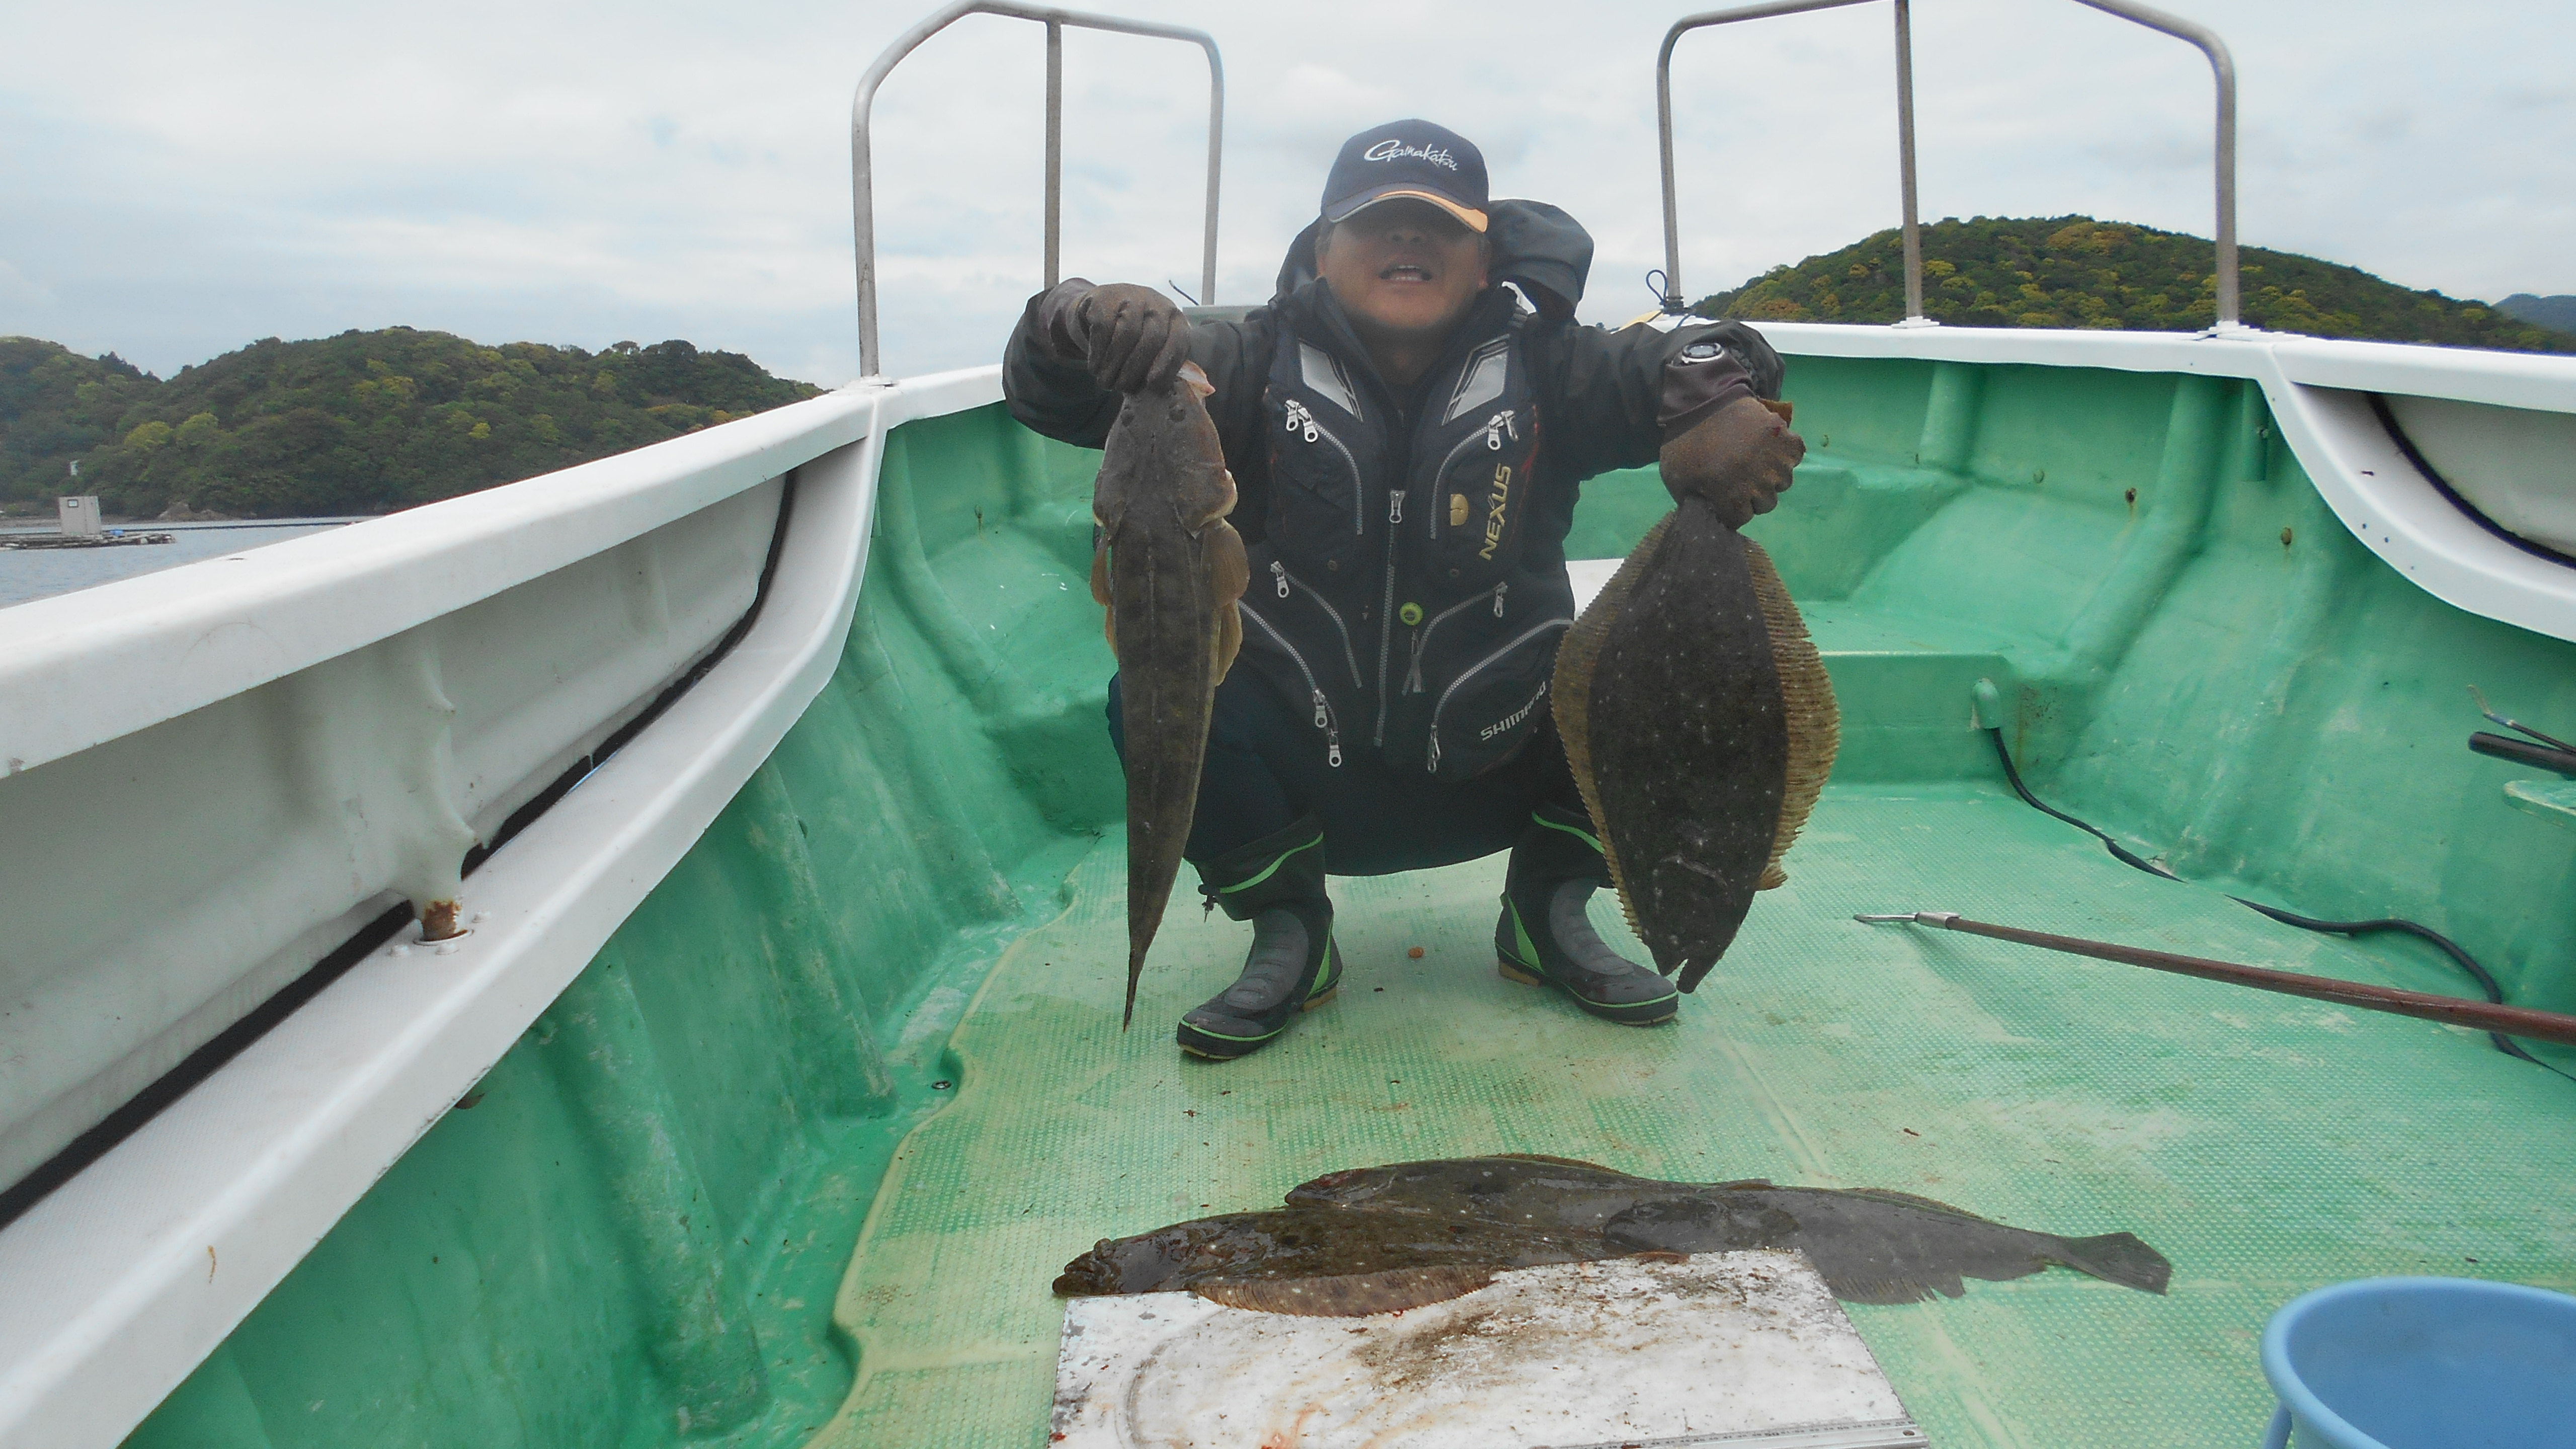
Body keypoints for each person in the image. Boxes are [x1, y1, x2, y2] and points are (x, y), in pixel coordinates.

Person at [1004, 119, 1805, 1060]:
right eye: (1377, 223)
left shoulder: (1554, 366)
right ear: (1322, 248)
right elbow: (1051, 392)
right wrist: (1078, 314)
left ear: (1485, 256)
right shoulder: (1239, 365)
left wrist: (1711, 394)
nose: (1408, 244)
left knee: (1646, 675)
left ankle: (1549, 913)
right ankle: (1290, 930)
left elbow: (1706, 345)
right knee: (1152, 688)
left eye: (1440, 227)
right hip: (1302, 773)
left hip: (1501, 759)